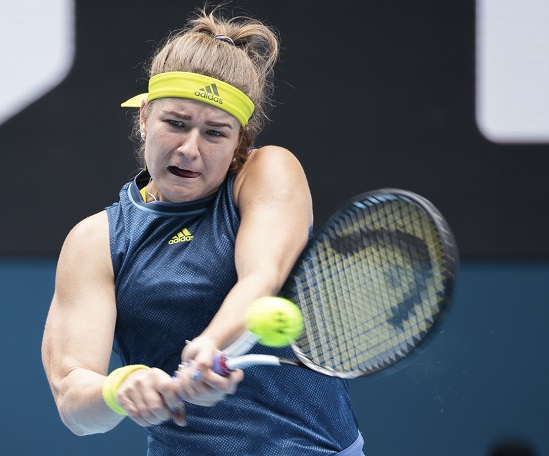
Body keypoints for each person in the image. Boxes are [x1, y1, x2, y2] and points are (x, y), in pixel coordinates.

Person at [42, 6, 364, 455]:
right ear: (144, 117)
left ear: (240, 141)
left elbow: (261, 278)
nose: (190, 149)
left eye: (215, 133)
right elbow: (73, 400)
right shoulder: (96, 241)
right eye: (175, 123)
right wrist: (121, 387)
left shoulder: (268, 171)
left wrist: (210, 346)